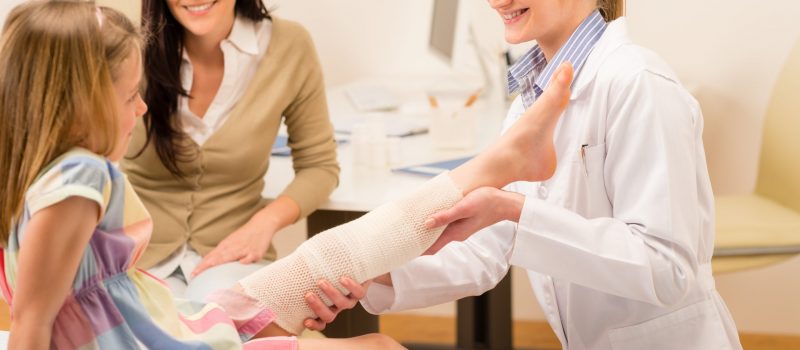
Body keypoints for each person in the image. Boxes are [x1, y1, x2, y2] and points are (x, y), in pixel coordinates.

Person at [0, 1, 576, 347]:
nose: (141, 107)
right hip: (159, 326)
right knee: (365, 327)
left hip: (169, 314)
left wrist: (258, 228)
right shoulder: (81, 177)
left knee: (323, 270)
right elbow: (32, 324)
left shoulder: (57, 175)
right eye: (129, 97)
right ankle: (500, 163)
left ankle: (500, 162)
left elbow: (319, 164)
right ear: (79, 97)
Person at [309, 0, 744, 348]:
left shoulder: (638, 83)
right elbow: (486, 250)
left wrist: (517, 213)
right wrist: (376, 275)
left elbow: (667, 269)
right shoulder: (527, 104)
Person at [119, 0, 340, 301]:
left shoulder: (289, 46)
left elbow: (320, 166)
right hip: (134, 258)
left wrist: (264, 223)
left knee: (218, 308)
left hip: (233, 261)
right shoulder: (127, 46)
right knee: (157, 324)